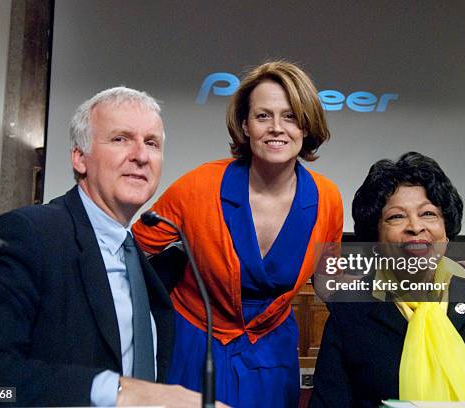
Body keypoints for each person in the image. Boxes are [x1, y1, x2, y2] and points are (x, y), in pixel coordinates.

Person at [0, 87, 206, 407]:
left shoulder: (139, 260)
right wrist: (114, 391)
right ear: (79, 157)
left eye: (152, 143)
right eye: (121, 139)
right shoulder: (27, 235)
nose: (141, 155)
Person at [132, 61, 343, 407]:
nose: (277, 128)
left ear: (306, 125)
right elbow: (133, 250)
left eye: (290, 116)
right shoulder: (197, 186)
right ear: (245, 125)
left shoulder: (328, 199)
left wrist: (396, 284)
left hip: (272, 352)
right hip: (195, 344)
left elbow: (328, 276)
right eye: (263, 116)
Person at [309, 152, 465, 407]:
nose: (415, 227)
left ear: (446, 229)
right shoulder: (350, 308)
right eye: (396, 216)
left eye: (428, 213)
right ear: (376, 237)